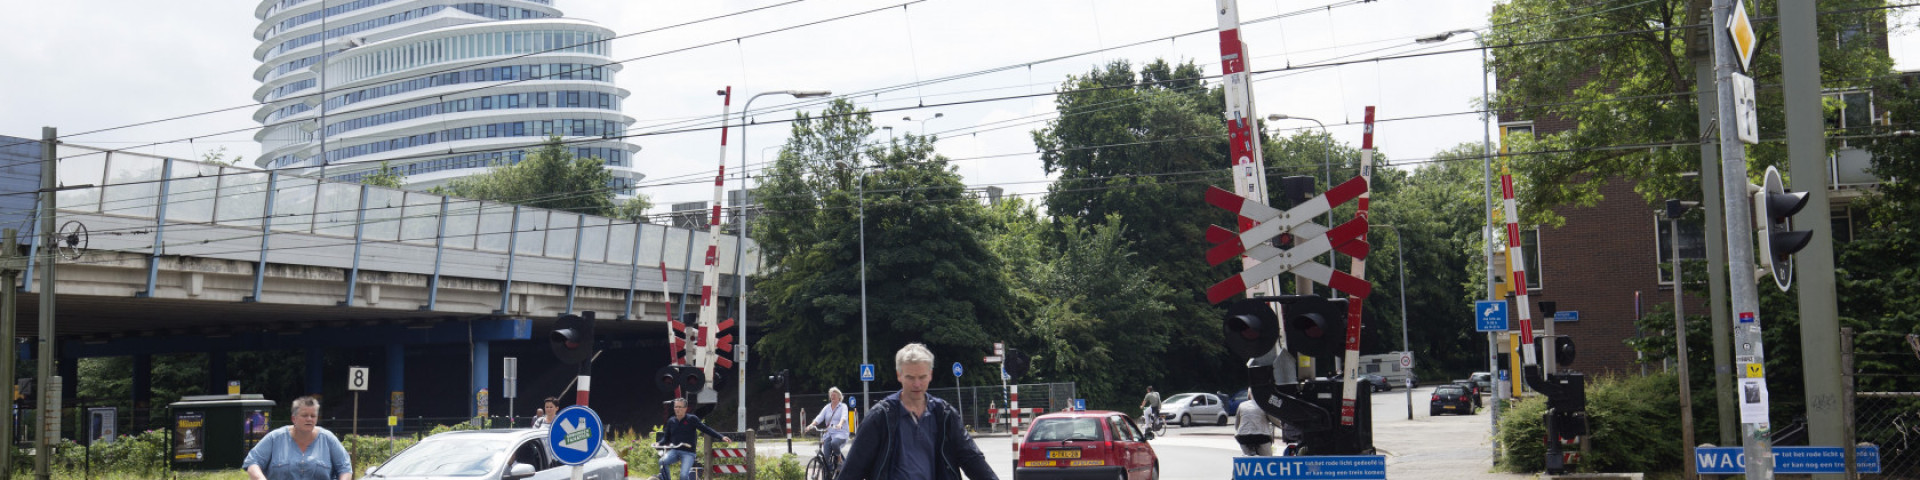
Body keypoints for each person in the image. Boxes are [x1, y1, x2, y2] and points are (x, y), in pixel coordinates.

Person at [837, 343, 997, 480]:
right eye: (910, 377)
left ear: (931, 375)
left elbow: (972, 459)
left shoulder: (944, 415)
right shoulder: (880, 417)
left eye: (922, 377)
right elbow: (852, 470)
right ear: (899, 375)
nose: (917, 384)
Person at [242, 395, 351, 480]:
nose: (309, 419)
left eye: (313, 416)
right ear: (293, 418)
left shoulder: (328, 439)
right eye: (304, 415)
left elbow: (345, 467)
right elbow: (253, 461)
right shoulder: (275, 438)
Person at [657, 397, 731, 480]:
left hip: (688, 453)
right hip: (675, 451)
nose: (677, 409)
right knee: (662, 461)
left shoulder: (692, 419)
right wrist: (659, 443)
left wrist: (721, 437)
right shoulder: (671, 421)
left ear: (685, 408)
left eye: (680, 407)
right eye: (676, 407)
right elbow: (666, 438)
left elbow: (706, 429)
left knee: (683, 476)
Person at [805, 387, 851, 463]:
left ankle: (839, 459)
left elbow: (844, 417)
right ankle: (828, 473)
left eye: (834, 395)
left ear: (839, 397)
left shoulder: (843, 406)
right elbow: (819, 417)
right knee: (826, 457)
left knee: (834, 443)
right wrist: (811, 425)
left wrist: (840, 424)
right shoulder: (827, 407)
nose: (832, 397)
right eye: (831, 395)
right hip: (829, 433)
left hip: (841, 433)